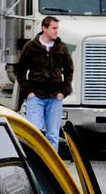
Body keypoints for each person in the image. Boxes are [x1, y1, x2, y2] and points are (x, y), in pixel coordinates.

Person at [17, 16, 74, 149]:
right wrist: (28, 92)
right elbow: (20, 71)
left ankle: (51, 168)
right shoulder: (31, 47)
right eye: (53, 28)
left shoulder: (61, 47)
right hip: (35, 97)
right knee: (34, 133)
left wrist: (63, 92)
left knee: (53, 135)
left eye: (57, 28)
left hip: (55, 97)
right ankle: (33, 165)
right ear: (44, 28)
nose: (56, 31)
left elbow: (69, 70)